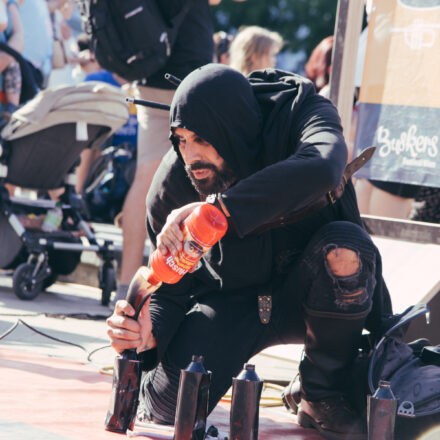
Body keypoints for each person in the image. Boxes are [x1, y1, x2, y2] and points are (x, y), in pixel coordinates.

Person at [106, 64, 393, 440]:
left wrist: (217, 210)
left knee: (345, 248)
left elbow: (324, 165)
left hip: (310, 292)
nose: (190, 154)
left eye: (201, 139)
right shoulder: (173, 186)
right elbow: (170, 293)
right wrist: (148, 331)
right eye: (180, 139)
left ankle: (320, 392)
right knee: (169, 410)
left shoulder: (298, 111)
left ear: (233, 128)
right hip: (230, 305)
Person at [113, 0, 216, 305]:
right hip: (184, 72)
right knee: (196, 173)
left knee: (146, 174)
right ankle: (173, 286)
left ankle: (127, 284)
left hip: (149, 70)